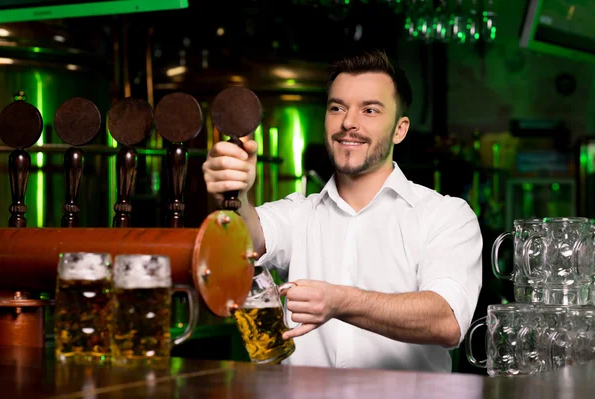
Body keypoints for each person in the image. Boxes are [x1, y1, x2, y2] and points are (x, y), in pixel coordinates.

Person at [202, 50, 482, 372]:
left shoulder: (444, 215)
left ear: (399, 130)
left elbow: (446, 320)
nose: (349, 122)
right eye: (337, 107)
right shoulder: (300, 213)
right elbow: (243, 242)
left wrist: (340, 301)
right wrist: (234, 194)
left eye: (370, 110)